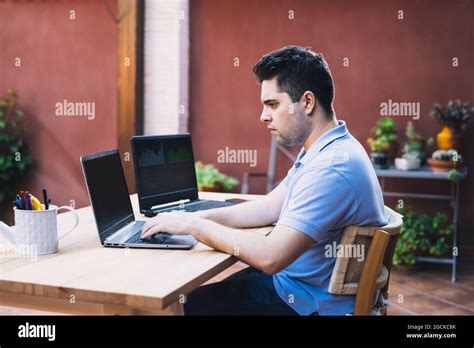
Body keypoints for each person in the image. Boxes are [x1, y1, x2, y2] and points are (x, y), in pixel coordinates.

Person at [141, 45, 387, 315]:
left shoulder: (330, 168)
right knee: (191, 298)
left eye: (273, 104)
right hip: (298, 286)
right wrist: (189, 219)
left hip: (307, 303)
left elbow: (270, 257)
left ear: (307, 102)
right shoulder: (326, 150)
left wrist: (194, 226)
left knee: (177, 309)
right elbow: (270, 207)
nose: (263, 116)